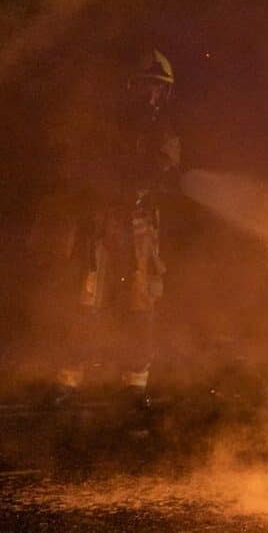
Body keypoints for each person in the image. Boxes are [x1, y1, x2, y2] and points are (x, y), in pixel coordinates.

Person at [53, 49, 182, 405]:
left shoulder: (163, 129)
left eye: (159, 88)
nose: (153, 95)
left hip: (139, 224)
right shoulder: (104, 124)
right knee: (86, 297)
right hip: (101, 220)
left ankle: (135, 384)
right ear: (131, 87)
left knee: (141, 300)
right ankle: (68, 379)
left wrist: (151, 181)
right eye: (147, 87)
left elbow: (167, 167)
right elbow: (82, 164)